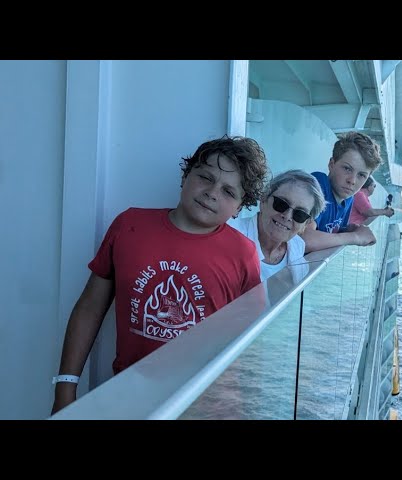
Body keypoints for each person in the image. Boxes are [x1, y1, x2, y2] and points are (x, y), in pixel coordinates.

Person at [51, 135, 270, 415]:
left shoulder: (244, 254)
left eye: (229, 191)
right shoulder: (129, 226)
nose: (212, 192)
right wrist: (65, 387)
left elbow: (250, 343)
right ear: (185, 176)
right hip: (130, 398)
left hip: (204, 403)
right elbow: (90, 307)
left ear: (239, 207)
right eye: (205, 177)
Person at [228, 169, 326, 282]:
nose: (287, 216)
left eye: (299, 214)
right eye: (281, 204)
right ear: (264, 199)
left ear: (306, 223)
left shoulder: (297, 245)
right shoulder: (231, 237)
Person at [300, 131, 382, 253]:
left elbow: (334, 229)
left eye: (361, 175)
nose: (352, 181)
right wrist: (355, 237)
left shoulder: (348, 198)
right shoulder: (318, 184)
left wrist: (349, 229)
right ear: (331, 164)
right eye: (347, 169)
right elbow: (304, 240)